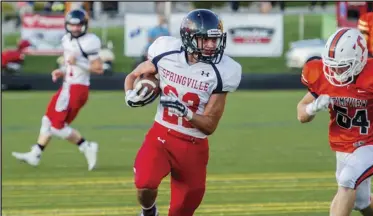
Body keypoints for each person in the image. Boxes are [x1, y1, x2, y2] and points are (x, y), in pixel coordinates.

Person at [124, 9, 242, 216]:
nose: (211, 45)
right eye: (204, 40)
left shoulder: (224, 71)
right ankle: (149, 212)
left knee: (181, 210)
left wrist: (185, 112)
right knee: (144, 183)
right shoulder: (165, 51)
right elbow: (134, 75)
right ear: (188, 37)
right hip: (161, 134)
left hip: (193, 146)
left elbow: (209, 126)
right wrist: (129, 95)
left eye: (214, 40)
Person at [297, 28, 373, 216]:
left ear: (359, 60)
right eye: (331, 65)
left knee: (347, 181)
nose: (334, 72)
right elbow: (301, 114)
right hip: (343, 145)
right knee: (361, 202)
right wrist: (313, 107)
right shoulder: (321, 75)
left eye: (342, 66)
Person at [12, 9, 104, 171]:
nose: (75, 29)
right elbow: (69, 63)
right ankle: (36, 153)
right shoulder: (66, 40)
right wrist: (62, 71)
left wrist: (77, 63)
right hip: (67, 85)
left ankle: (87, 146)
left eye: (78, 25)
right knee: (47, 120)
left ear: (84, 25)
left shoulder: (90, 41)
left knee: (57, 126)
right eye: (72, 25)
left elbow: (98, 69)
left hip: (78, 89)